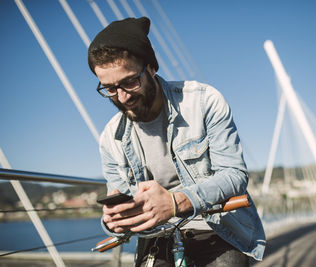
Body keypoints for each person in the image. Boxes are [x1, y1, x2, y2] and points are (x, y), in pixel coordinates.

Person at [88, 17, 266, 266]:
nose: (122, 97)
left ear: (151, 67)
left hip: (215, 227)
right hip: (157, 234)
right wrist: (113, 221)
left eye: (130, 82)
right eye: (109, 88)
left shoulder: (204, 101)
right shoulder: (111, 138)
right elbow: (122, 204)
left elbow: (234, 174)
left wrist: (175, 202)